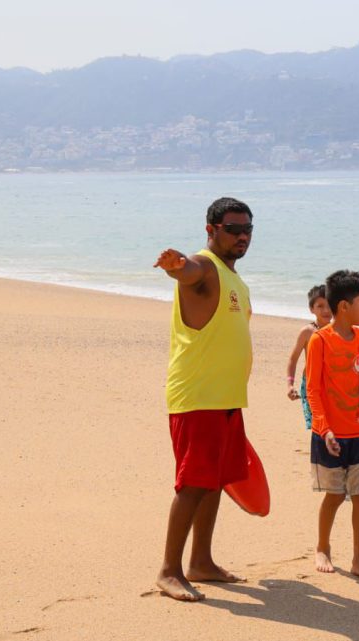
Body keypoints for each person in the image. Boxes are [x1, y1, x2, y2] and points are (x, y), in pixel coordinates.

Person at [152, 196, 256, 602]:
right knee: (193, 484)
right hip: (197, 396)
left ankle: (201, 562)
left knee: (215, 482)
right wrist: (177, 266)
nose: (242, 236)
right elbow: (188, 272)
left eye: (247, 229)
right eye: (233, 229)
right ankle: (168, 570)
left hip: (227, 396)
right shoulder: (206, 268)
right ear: (211, 231)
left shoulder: (234, 278)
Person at [305, 270, 359, 583]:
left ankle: (358, 560)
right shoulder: (320, 340)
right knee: (335, 495)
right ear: (343, 307)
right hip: (330, 436)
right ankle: (323, 546)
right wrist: (324, 429)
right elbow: (312, 389)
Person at [286, 285, 332, 429]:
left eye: (329, 305)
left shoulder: (338, 331)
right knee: (318, 426)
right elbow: (293, 359)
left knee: (334, 425)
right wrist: (290, 384)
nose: (326, 310)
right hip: (311, 385)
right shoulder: (307, 332)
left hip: (333, 385)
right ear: (311, 309)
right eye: (320, 306)